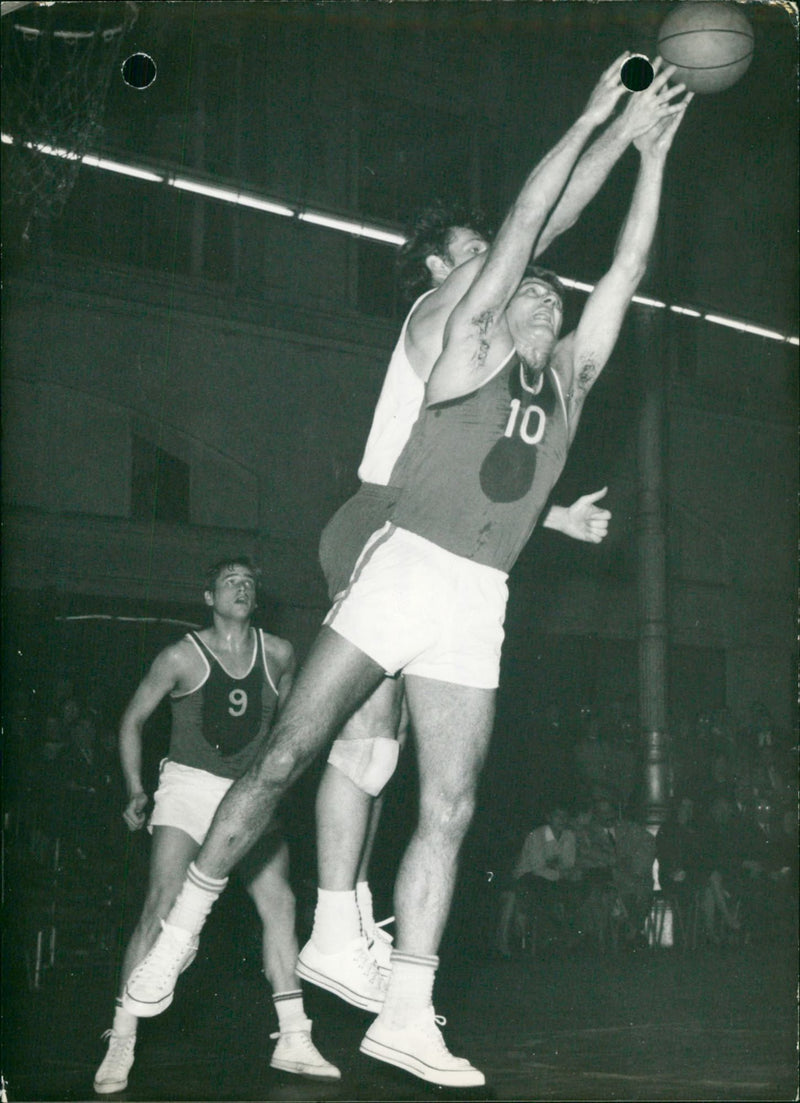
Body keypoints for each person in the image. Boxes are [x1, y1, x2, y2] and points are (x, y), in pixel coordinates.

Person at [124, 57, 690, 1088]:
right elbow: (532, 214)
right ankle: (207, 921)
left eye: (536, 289)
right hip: (395, 541)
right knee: (301, 746)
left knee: (438, 793)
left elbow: (620, 268)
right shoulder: (456, 332)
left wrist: (649, 151)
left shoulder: (564, 373)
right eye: (502, 271)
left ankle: (400, 1000)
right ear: (463, 280)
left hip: (478, 581)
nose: (529, 285)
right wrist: (597, 115)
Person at [303, 59, 686, 1008]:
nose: (500, 258)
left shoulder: (480, 344)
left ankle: (343, 923)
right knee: (362, 741)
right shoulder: (443, 305)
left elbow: (482, 473)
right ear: (441, 267)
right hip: (382, 519)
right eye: (479, 249)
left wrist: (551, 513)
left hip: (424, 520)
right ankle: (334, 917)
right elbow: (546, 214)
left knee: (385, 746)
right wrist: (617, 132)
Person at [93, 558, 339, 1094]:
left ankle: (294, 1037)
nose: (242, 587)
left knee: (281, 904)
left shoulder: (279, 654)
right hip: (187, 787)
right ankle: (122, 1036)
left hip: (248, 793)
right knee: (161, 903)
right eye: (230, 580)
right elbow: (132, 719)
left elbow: (293, 728)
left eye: (249, 581)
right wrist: (135, 788)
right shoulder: (181, 655)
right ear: (208, 597)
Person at [496, 804, 578, 957]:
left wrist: (558, 870)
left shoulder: (569, 836)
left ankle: (562, 938)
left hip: (551, 877)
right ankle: (537, 936)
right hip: (527, 876)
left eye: (564, 816)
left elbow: (569, 863)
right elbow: (537, 869)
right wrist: (559, 872)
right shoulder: (536, 836)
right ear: (548, 818)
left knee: (573, 890)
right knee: (544, 889)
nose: (562, 819)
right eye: (557, 816)